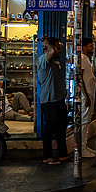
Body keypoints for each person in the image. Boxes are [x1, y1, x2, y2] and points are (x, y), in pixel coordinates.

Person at [37, 36, 67, 165]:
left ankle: (62, 155)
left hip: (59, 100)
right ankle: (47, 156)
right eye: (57, 46)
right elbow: (53, 51)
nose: (59, 49)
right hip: (49, 101)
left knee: (61, 129)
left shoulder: (55, 61)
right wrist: (47, 43)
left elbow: (55, 51)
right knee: (49, 129)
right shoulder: (44, 59)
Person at [78, 37, 96, 158]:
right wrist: (85, 96)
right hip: (87, 94)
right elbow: (79, 78)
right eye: (90, 46)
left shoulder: (86, 59)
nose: (92, 48)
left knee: (86, 120)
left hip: (90, 93)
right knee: (84, 121)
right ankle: (81, 149)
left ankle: (83, 146)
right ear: (84, 47)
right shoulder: (83, 59)